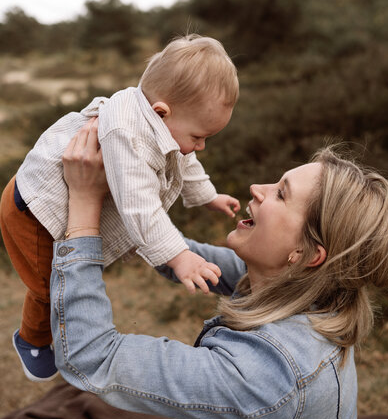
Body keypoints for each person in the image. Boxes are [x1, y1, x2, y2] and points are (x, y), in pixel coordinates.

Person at [49, 121, 388, 419]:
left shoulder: (268, 374)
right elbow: (181, 257)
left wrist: (83, 206)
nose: (257, 188)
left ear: (308, 253)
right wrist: (126, 200)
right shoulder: (316, 291)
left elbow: (90, 355)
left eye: (280, 194)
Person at [0, 34, 240, 383]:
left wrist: (207, 195)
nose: (200, 147)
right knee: (50, 285)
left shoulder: (162, 126)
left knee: (60, 278)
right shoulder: (126, 133)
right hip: (33, 211)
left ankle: (43, 332)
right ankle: (31, 340)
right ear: (162, 112)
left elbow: (184, 163)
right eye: (199, 136)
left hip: (49, 204)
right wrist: (178, 256)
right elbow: (139, 206)